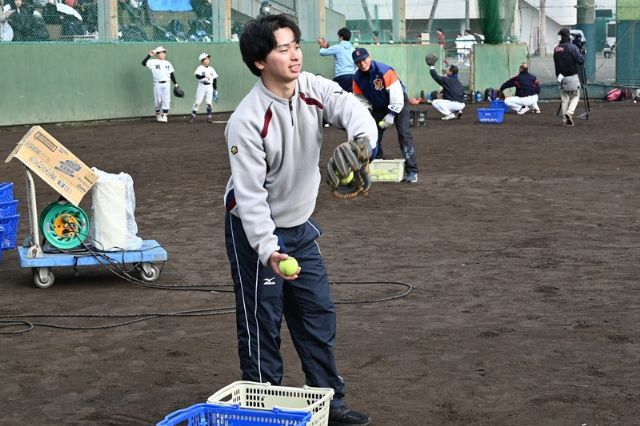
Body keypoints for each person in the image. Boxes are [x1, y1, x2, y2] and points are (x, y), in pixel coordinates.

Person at [223, 14, 377, 426]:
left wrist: (363, 145)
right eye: (283, 48)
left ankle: (328, 400)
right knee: (263, 320)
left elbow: (351, 108)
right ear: (260, 61)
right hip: (254, 229)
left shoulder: (312, 87)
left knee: (317, 312)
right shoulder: (246, 121)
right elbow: (250, 197)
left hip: (300, 226)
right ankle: (261, 404)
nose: (295, 55)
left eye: (296, 45)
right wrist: (269, 250)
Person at [351, 47, 419, 183]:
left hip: (399, 103)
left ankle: (412, 171)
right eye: (358, 62)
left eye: (364, 59)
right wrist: (367, 113)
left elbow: (397, 93)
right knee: (373, 134)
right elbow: (360, 98)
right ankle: (377, 163)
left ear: (369, 57)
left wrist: (392, 114)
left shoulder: (384, 71)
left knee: (404, 134)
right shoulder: (357, 78)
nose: (362, 64)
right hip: (378, 107)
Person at [553, 27, 584, 127]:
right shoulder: (572, 47)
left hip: (560, 77)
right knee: (576, 95)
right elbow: (580, 61)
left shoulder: (556, 48)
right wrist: (581, 53)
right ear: (569, 35)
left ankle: (565, 120)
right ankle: (569, 112)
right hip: (572, 76)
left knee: (565, 99)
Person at [141, 46, 180, 123]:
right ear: (157, 54)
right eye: (161, 53)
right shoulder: (153, 62)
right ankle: (158, 113)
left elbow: (171, 74)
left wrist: (175, 84)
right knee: (158, 101)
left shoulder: (168, 63)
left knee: (166, 100)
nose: (163, 54)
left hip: (167, 83)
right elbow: (143, 63)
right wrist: (149, 55)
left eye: (164, 52)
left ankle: (165, 115)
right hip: (157, 84)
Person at [316, 27, 356, 92]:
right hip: (352, 77)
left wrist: (322, 45)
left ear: (341, 37)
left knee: (337, 95)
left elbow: (322, 52)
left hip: (341, 77)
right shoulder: (353, 49)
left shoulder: (338, 47)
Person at [187, 52, 218, 123]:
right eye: (206, 59)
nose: (208, 60)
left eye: (208, 59)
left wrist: (215, 89)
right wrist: (204, 76)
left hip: (210, 86)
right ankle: (193, 116)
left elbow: (215, 79)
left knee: (209, 103)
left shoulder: (211, 69)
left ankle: (209, 117)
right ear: (202, 61)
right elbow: (197, 76)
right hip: (202, 86)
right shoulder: (200, 68)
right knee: (197, 102)